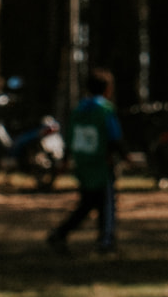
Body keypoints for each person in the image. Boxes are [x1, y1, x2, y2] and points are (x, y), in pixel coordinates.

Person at [48, 69, 123, 255]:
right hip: (101, 164)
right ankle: (106, 241)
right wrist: (124, 156)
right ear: (108, 89)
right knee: (106, 204)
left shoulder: (78, 110)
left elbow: (70, 138)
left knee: (87, 203)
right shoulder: (105, 110)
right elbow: (114, 137)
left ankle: (59, 234)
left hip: (82, 164)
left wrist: (65, 161)